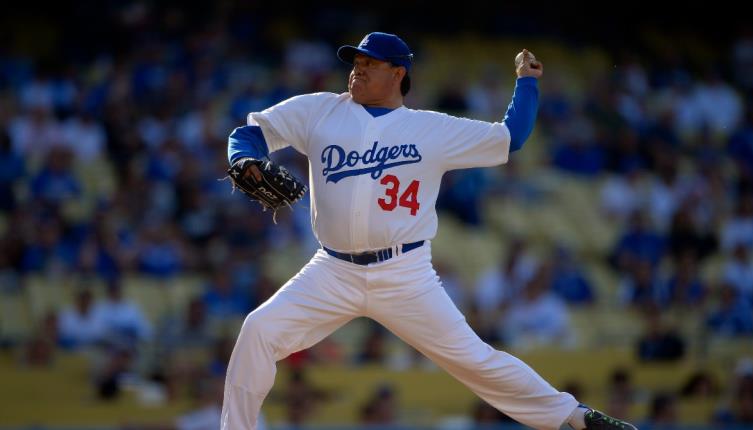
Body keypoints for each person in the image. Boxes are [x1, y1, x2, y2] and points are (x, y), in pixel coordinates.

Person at [222, 32, 637, 430]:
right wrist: (244, 160)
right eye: (356, 63)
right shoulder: (319, 111)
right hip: (332, 270)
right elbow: (251, 133)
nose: (358, 70)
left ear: (398, 73)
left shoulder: (431, 129)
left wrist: (526, 82)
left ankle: (573, 417)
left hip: (404, 273)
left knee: (473, 358)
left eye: (370, 63)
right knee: (258, 331)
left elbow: (511, 138)